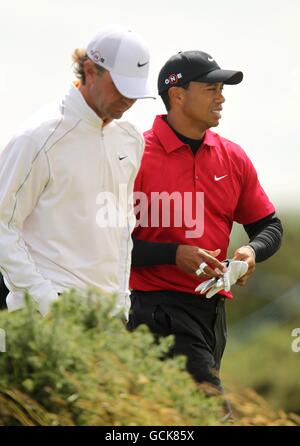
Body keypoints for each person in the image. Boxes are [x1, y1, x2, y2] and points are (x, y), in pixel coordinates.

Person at [128, 50, 283, 409]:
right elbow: (106, 243)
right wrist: (172, 254)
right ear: (178, 95)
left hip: (212, 313)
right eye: (212, 88)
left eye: (222, 89)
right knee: (211, 413)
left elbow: (268, 226)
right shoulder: (133, 154)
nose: (222, 97)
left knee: (167, 416)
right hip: (155, 309)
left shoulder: (233, 156)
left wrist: (250, 252)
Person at [0, 26, 154, 314]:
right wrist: (45, 299)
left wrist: (121, 303)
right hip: (47, 313)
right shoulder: (38, 137)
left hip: (109, 315)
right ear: (90, 71)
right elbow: (3, 226)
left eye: (135, 91)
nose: (129, 100)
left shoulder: (131, 139)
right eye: (121, 87)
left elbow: (121, 230)